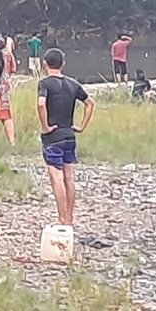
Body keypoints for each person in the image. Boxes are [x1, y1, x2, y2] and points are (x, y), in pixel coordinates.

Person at [37, 48, 94, 226]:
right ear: (63, 64)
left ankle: (61, 218)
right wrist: (82, 126)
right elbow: (89, 103)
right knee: (69, 177)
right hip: (69, 134)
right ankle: (69, 217)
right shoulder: (72, 83)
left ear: (44, 63)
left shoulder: (45, 83)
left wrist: (45, 127)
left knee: (56, 176)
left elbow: (40, 104)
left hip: (53, 136)